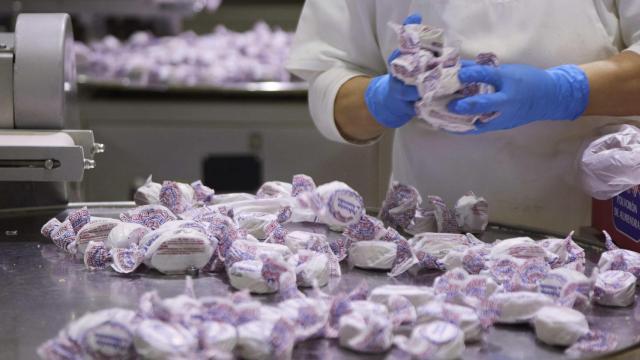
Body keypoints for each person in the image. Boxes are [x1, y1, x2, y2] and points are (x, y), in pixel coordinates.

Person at [286, 1, 640, 233]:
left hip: (590, 237)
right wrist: (379, 98)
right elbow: (330, 79)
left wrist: (564, 91)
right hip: (428, 244)